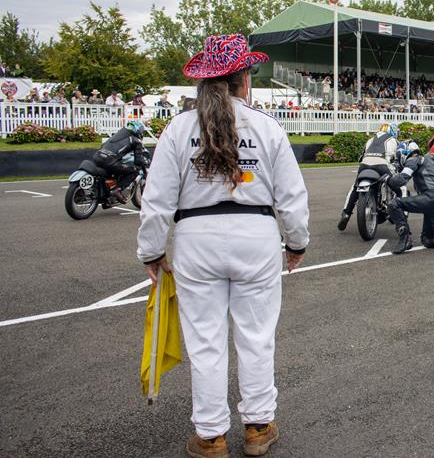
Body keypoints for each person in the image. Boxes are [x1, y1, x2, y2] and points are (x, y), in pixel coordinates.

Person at [137, 34, 309, 457]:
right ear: (243, 78)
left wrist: (152, 250)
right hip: (256, 236)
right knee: (256, 337)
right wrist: (296, 243)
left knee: (206, 341)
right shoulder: (267, 127)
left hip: (198, 239)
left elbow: (156, 200)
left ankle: (211, 435)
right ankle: (257, 427)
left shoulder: (178, 128)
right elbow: (291, 197)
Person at [337, 122, 400, 231]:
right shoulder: (394, 140)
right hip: (382, 165)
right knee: (396, 185)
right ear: (393, 131)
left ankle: (346, 214)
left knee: (355, 187)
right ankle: (398, 211)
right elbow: (398, 158)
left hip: (364, 165)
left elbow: (360, 158)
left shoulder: (370, 140)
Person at [91, 120, 149, 203]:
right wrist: (145, 162)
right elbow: (138, 161)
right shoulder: (136, 141)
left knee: (116, 168)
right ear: (138, 130)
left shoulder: (116, 135)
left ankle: (106, 192)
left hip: (97, 157)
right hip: (109, 162)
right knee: (134, 172)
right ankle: (117, 190)